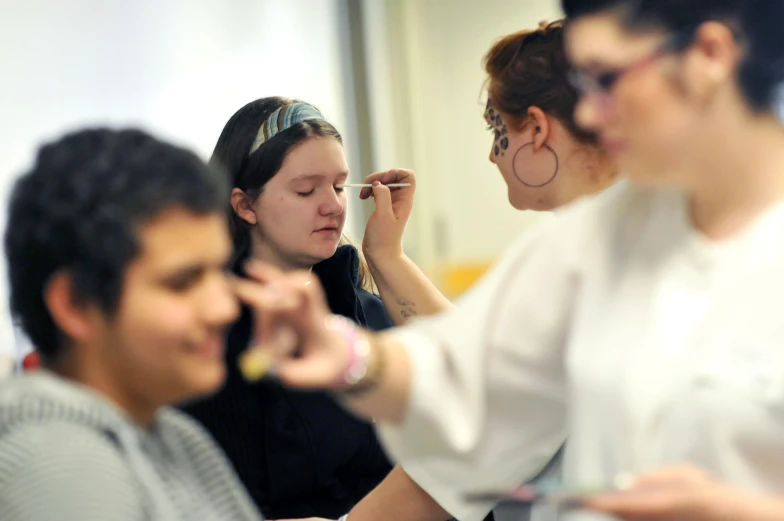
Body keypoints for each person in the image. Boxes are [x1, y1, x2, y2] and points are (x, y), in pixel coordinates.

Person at [232, 0, 784, 520]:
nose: (588, 111)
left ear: (708, 57)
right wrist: (349, 355)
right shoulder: (603, 235)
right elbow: (469, 380)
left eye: (606, 79)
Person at [334, 20, 618, 521]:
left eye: (497, 130)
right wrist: (388, 256)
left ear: (535, 127)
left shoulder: (577, 255)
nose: (491, 154)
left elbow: (476, 410)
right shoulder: (634, 231)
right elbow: (491, 362)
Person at [0, 128, 262, 520]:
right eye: (181, 283)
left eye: (220, 272)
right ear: (75, 304)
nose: (224, 308)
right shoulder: (63, 463)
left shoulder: (175, 436)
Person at [180, 97, 394, 520]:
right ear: (245, 205)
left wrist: (390, 258)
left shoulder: (367, 308)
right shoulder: (215, 338)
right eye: (305, 190)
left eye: (338, 185)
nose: (333, 205)